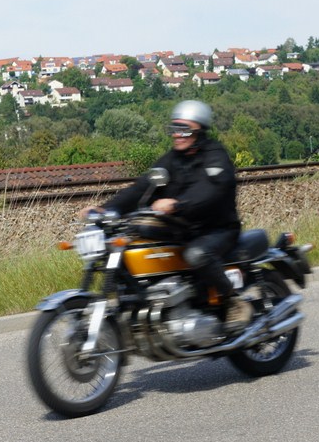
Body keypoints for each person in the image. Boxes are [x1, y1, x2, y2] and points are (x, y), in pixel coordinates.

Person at [79, 100, 252, 332]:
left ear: (199, 130)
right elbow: (142, 187)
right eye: (174, 129)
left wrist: (178, 204)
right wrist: (107, 209)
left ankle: (233, 302)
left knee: (196, 254)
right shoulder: (172, 159)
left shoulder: (215, 157)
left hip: (216, 229)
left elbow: (210, 191)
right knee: (134, 243)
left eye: (184, 130)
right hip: (183, 229)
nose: (177, 135)